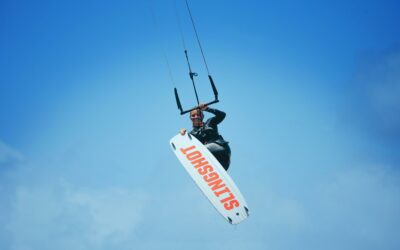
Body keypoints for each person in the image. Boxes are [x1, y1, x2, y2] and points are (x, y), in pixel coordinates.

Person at [180, 104, 231, 170]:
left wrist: (207, 108)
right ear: (190, 118)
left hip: (221, 148)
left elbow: (222, 115)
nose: (196, 117)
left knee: (198, 152)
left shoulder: (210, 122)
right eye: (193, 115)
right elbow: (185, 146)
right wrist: (182, 134)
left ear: (202, 116)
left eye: (198, 115)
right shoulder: (191, 134)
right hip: (214, 157)